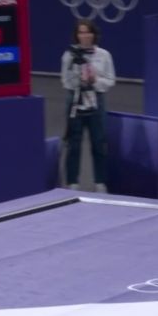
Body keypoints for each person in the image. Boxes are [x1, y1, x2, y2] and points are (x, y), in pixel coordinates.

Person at [60, 19, 115, 193]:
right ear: (76, 35)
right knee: (74, 143)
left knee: (99, 142)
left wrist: (94, 81)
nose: (84, 36)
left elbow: (111, 80)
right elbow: (65, 81)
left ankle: (100, 182)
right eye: (81, 32)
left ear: (93, 34)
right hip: (75, 101)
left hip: (96, 100)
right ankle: (72, 182)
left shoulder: (104, 55)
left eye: (87, 32)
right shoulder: (69, 55)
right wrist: (78, 81)